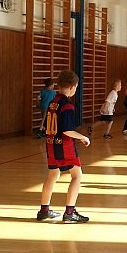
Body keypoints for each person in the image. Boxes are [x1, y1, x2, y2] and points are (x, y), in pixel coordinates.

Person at [37, 69, 90, 223]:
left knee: (53, 174)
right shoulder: (66, 105)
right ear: (73, 87)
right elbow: (67, 130)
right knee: (77, 175)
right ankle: (70, 212)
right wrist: (83, 137)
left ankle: (44, 210)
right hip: (63, 145)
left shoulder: (53, 102)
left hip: (50, 144)